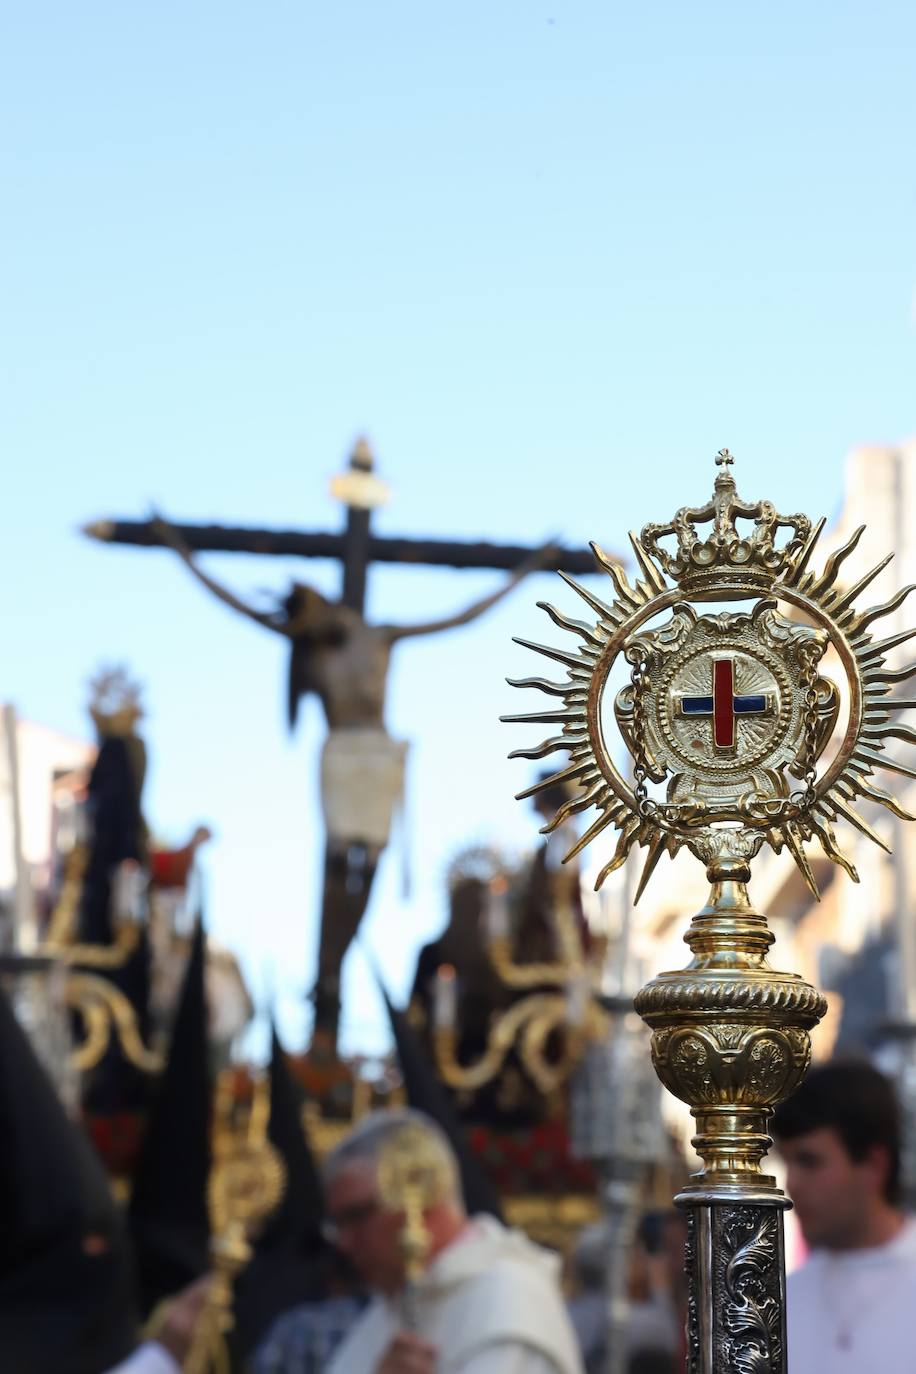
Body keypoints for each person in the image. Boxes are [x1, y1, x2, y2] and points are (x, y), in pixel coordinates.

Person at [152, 511, 553, 1044]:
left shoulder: (379, 636)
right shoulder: (313, 652)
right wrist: (182, 551)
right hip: (342, 757)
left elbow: (460, 616)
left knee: (372, 865)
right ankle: (327, 980)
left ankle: (335, 962)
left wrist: (525, 573)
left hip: (379, 756)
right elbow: (236, 603)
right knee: (342, 861)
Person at [322, 1109, 584, 1373]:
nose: (344, 1241)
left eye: (357, 1216)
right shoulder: (392, 1306)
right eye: (338, 1224)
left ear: (420, 1193)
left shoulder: (508, 1303)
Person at [773, 1059, 916, 1372]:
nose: (792, 1184)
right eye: (788, 1163)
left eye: (809, 1161)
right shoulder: (781, 1303)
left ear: (873, 1165)